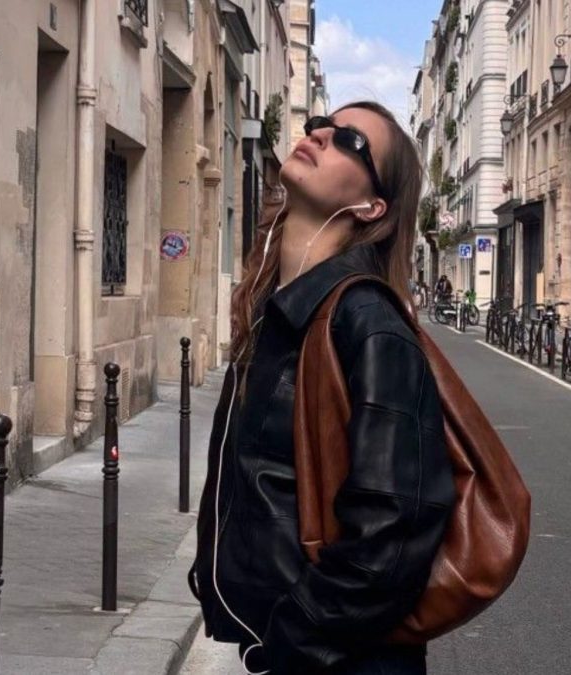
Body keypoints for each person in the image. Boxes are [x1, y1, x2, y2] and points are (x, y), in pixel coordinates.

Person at [189, 101, 454, 675]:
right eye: (321, 126)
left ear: (371, 206)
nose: (321, 135)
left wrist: (293, 638)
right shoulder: (282, 310)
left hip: (338, 659)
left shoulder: (366, 322)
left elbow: (393, 533)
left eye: (350, 141)